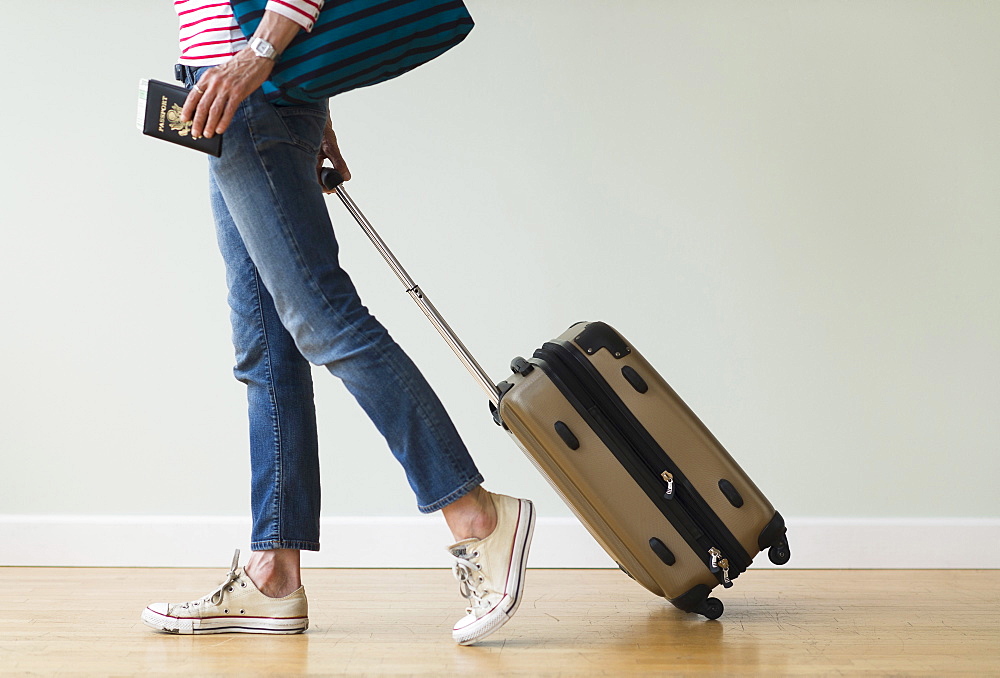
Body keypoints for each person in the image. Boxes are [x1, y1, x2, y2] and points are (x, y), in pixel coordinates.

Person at [140, 0, 534, 646]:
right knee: (264, 350)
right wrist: (299, 95)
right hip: (233, 93)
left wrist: (258, 58)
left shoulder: (254, 67)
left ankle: (477, 516)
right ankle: (273, 574)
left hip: (248, 86)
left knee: (325, 321)